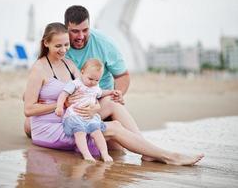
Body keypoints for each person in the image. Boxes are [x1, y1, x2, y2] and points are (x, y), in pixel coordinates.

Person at [24, 21, 204, 166]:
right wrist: (60, 104)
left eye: (66, 45)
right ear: (46, 43)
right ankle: (169, 156)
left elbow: (88, 91)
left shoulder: (68, 64)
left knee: (110, 103)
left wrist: (94, 106)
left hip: (71, 117)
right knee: (115, 127)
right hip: (49, 128)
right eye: (58, 46)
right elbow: (29, 109)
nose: (64, 50)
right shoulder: (39, 69)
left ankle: (147, 150)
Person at [55, 59, 120, 162]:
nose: (93, 82)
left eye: (97, 80)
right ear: (82, 72)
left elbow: (101, 93)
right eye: (90, 79)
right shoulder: (76, 84)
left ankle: (104, 154)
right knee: (80, 132)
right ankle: (86, 154)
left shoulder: (95, 87)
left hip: (90, 116)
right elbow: (63, 94)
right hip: (75, 115)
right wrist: (59, 106)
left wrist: (111, 92)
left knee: (97, 132)